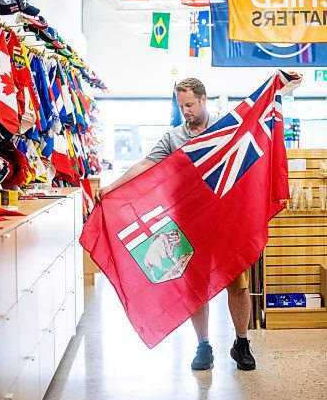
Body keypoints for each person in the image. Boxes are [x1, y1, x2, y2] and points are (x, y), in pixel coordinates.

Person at [97, 77, 256, 372]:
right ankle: (203, 345)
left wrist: (280, 86)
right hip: (189, 222)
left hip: (226, 221)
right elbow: (145, 165)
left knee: (237, 284)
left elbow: (256, 131)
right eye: (181, 106)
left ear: (204, 99)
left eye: (190, 104)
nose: (186, 111)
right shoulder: (173, 138)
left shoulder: (227, 127)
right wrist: (112, 187)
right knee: (196, 285)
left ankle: (242, 342)